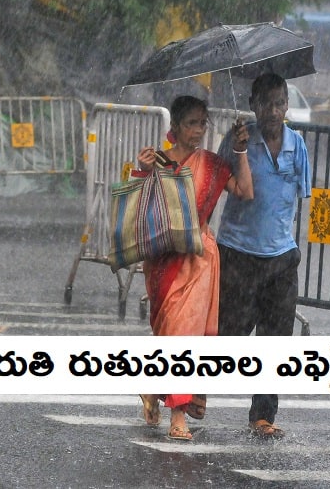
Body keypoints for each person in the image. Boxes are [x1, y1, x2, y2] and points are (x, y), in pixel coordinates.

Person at [135, 95, 253, 441]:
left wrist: (241, 151)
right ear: (174, 127)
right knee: (169, 332)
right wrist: (142, 171)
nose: (199, 129)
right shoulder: (158, 161)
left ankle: (179, 415)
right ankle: (154, 386)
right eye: (191, 123)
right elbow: (140, 210)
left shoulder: (214, 165)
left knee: (184, 337)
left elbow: (245, 191)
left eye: (203, 123)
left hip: (199, 259)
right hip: (163, 262)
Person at [215, 72, 312, 439]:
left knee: (276, 339)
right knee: (228, 334)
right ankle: (185, 392)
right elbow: (216, 184)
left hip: (281, 257)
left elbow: (301, 194)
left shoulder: (296, 145)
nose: (273, 111)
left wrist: (288, 244)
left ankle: (263, 414)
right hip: (238, 252)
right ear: (253, 105)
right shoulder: (238, 140)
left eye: (280, 103)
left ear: (286, 106)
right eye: (266, 103)